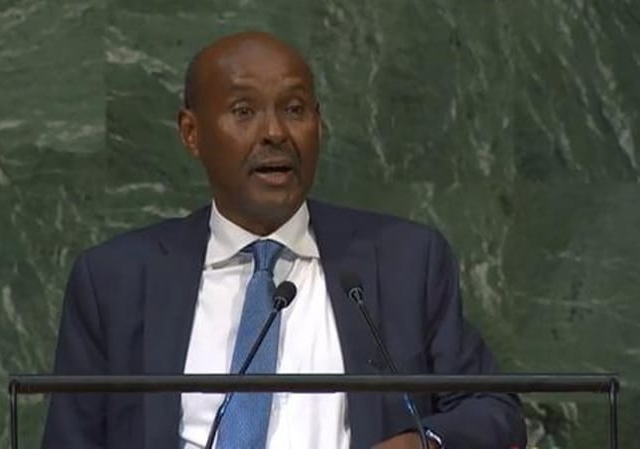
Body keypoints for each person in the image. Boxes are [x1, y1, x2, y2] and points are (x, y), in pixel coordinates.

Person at [41, 31, 527, 449]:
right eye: (244, 111)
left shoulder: (404, 261)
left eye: (295, 109)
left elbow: (494, 409)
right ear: (192, 133)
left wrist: (424, 443)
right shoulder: (116, 280)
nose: (275, 132)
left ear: (319, 123)